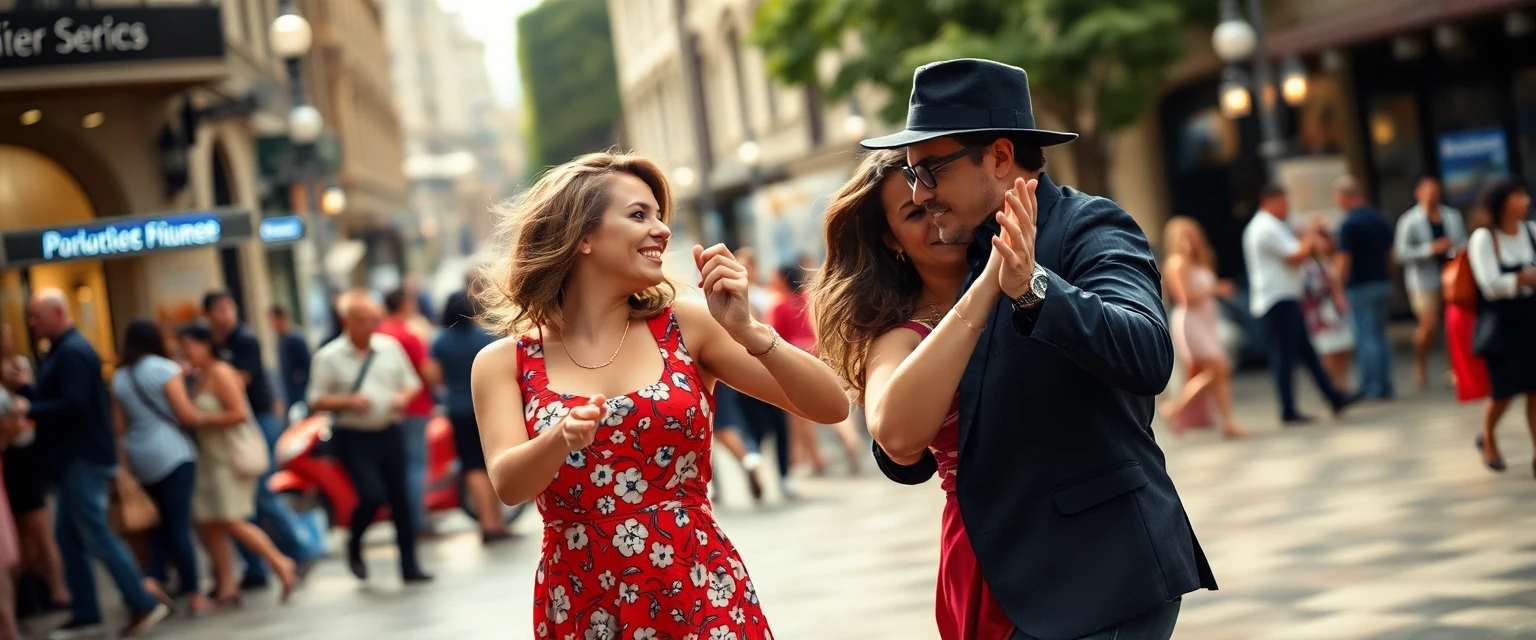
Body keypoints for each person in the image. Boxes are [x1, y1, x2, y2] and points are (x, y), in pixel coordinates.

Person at [854, 58, 1215, 640]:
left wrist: (1033, 287)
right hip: (1009, 584)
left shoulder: (1090, 226)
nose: (921, 193)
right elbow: (918, 441)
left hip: (1103, 572)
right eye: (912, 179)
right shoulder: (969, 251)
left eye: (931, 172)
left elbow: (1148, 354)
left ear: (998, 156)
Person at [470, 152, 849, 638]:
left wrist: (748, 329)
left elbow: (831, 405)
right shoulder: (505, 362)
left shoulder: (688, 326)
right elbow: (509, 484)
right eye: (637, 215)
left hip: (697, 588)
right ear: (582, 237)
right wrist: (560, 438)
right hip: (584, 601)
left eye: (659, 215)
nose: (662, 230)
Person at [16, 290, 169, 637]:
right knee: (68, 538)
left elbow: (73, 403)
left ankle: (141, 600)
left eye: (36, 316)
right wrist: (29, 392)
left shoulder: (72, 351)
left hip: (81, 458)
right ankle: (87, 611)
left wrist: (30, 409)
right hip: (74, 459)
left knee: (95, 533)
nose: (32, 323)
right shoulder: (63, 351)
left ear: (57, 313)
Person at [307, 290, 432, 583]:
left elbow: (412, 383)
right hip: (354, 437)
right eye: (361, 319)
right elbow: (314, 399)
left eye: (372, 319)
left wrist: (402, 397)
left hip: (389, 431)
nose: (368, 325)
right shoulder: (328, 357)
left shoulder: (388, 347)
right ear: (346, 321)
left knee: (401, 500)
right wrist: (347, 401)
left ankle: (410, 566)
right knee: (372, 495)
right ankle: (355, 541)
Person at [204, 291, 315, 589]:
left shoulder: (244, 340)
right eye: (219, 309)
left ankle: (299, 551)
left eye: (229, 307)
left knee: (262, 493)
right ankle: (256, 568)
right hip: (235, 430)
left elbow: (240, 381)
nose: (225, 314)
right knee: (241, 502)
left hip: (257, 423)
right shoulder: (215, 344)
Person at [110, 319, 215, 615]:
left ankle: (152, 578)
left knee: (162, 524)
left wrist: (125, 467)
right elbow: (186, 415)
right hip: (173, 454)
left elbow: (119, 427)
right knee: (179, 524)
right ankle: (194, 592)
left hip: (141, 458)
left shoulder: (119, 377)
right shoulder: (165, 369)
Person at [1243, 185, 1361, 424]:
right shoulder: (1265, 227)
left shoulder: (1269, 226)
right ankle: (1291, 409)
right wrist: (1310, 231)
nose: (1287, 208)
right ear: (1270, 202)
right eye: (1284, 203)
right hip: (1278, 299)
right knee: (1286, 356)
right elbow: (1297, 256)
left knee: (1304, 352)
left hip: (1284, 297)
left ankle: (1332, 397)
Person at [1465, 179, 1536, 477]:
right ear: (1503, 202)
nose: (1526, 201)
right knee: (1504, 391)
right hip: (1503, 324)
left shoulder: (1532, 231)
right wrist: (1522, 279)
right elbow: (1489, 285)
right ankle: (1488, 435)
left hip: (1532, 318)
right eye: (1518, 196)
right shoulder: (1484, 238)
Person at [428, 291, 509, 544]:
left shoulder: (440, 341)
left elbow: (434, 377)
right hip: (489, 405)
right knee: (494, 460)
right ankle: (498, 521)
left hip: (458, 408)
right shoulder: (486, 336)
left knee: (472, 465)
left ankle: (487, 524)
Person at [0, 322, 70, 614]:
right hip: (11, 460)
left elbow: (32, 409)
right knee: (22, 533)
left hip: (23, 456)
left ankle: (56, 589)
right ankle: (34, 591)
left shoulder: (19, 366)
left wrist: (24, 390)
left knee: (36, 528)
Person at [1158, 217, 1246, 439]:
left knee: (1217, 372)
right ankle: (1174, 409)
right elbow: (1184, 297)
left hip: (1207, 321)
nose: (1193, 239)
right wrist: (1215, 290)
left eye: (1194, 234)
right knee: (1219, 368)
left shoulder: (1202, 260)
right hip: (1191, 321)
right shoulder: (1177, 263)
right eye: (1187, 235)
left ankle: (1227, 423)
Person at [1395, 175, 1467, 390]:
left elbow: (1463, 242)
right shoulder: (1409, 221)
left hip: (1451, 277)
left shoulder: (1451, 216)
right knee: (1429, 325)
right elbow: (1401, 253)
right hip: (1423, 280)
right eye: (1428, 191)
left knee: (1452, 325)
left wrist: (1452, 248)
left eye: (1436, 191)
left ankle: (1453, 369)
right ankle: (1420, 362)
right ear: (1419, 193)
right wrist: (1430, 249)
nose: (1433, 195)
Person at [378, 289, 440, 536]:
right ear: (405, 303)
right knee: (415, 466)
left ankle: (404, 519)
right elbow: (429, 374)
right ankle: (417, 521)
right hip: (414, 408)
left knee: (398, 468)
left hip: (387, 410)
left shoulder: (380, 333)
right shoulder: (409, 335)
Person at [1332, 176, 1396, 400]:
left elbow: (1343, 260)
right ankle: (1386, 384)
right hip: (1382, 282)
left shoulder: (1349, 224)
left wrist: (1337, 287)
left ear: (1344, 196)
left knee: (1366, 336)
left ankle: (1372, 386)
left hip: (1361, 286)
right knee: (1381, 335)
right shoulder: (1379, 218)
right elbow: (1391, 254)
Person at [1301, 229, 1355, 393]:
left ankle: (1340, 380)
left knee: (1343, 345)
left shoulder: (1328, 261)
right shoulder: (1305, 266)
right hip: (1317, 311)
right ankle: (1334, 384)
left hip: (1333, 309)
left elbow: (1337, 283)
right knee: (1326, 348)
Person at [269, 305, 312, 420]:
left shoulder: (295, 338)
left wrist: (300, 378)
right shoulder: (280, 339)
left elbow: (308, 364)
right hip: (288, 391)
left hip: (300, 391)